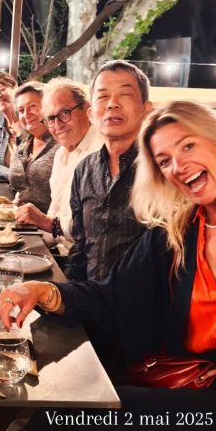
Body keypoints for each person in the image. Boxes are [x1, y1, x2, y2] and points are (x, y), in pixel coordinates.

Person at [0, 100, 216, 431]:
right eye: (164, 160)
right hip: (195, 391)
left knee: (102, 424)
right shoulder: (176, 235)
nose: (178, 166)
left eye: (187, 146)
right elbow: (110, 297)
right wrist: (42, 291)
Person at [67, 60, 152, 281]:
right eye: (102, 97)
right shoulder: (84, 170)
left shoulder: (161, 169)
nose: (112, 104)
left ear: (146, 109)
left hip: (142, 309)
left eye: (125, 95)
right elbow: (80, 248)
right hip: (89, 301)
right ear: (90, 114)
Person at [15, 78, 102, 242]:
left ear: (87, 110)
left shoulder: (100, 154)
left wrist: (45, 223)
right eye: (50, 119)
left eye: (64, 113)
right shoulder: (61, 153)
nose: (57, 125)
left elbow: (94, 228)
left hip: (80, 258)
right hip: (57, 249)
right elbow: (54, 215)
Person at [8, 81, 59, 213]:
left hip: (52, 228)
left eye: (32, 106)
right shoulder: (24, 143)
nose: (26, 114)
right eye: (21, 110)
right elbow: (21, 187)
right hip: (22, 222)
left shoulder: (61, 144)